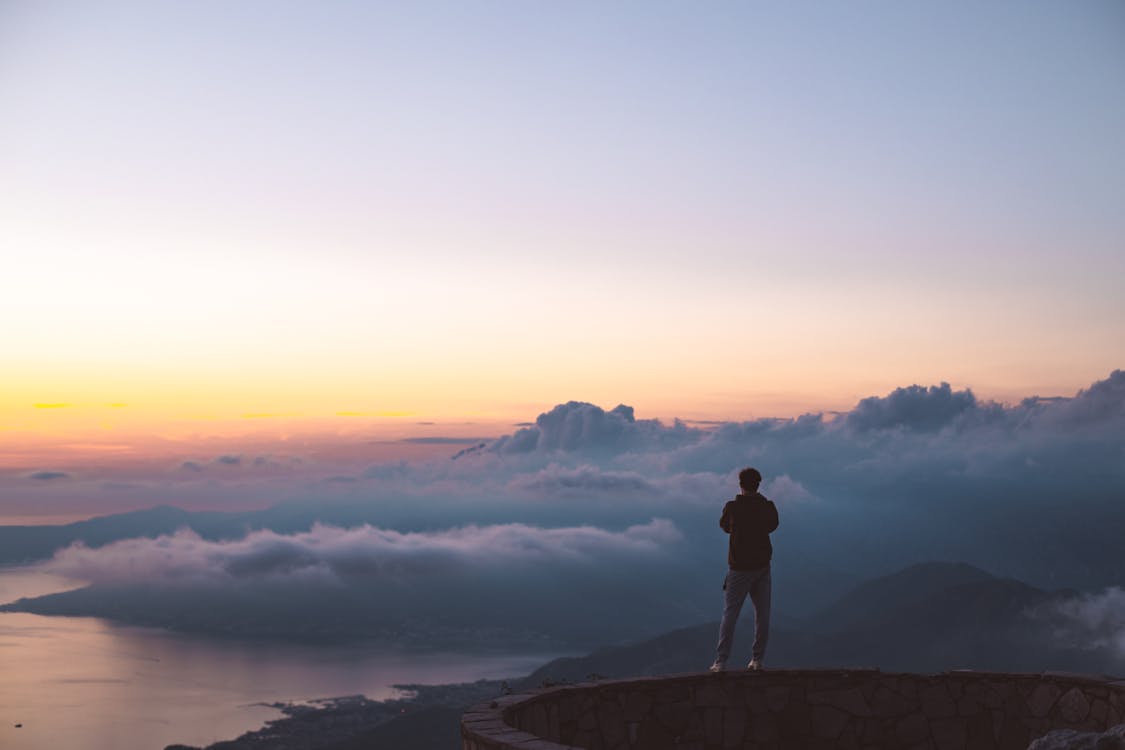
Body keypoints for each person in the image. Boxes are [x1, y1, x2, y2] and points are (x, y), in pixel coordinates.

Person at [709, 467, 779, 672]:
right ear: (758, 484)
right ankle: (757, 660)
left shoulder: (732, 508)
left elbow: (724, 526)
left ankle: (721, 661)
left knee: (730, 614)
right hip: (762, 568)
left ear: (740, 484)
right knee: (762, 615)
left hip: (739, 568)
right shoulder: (767, 507)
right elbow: (773, 525)